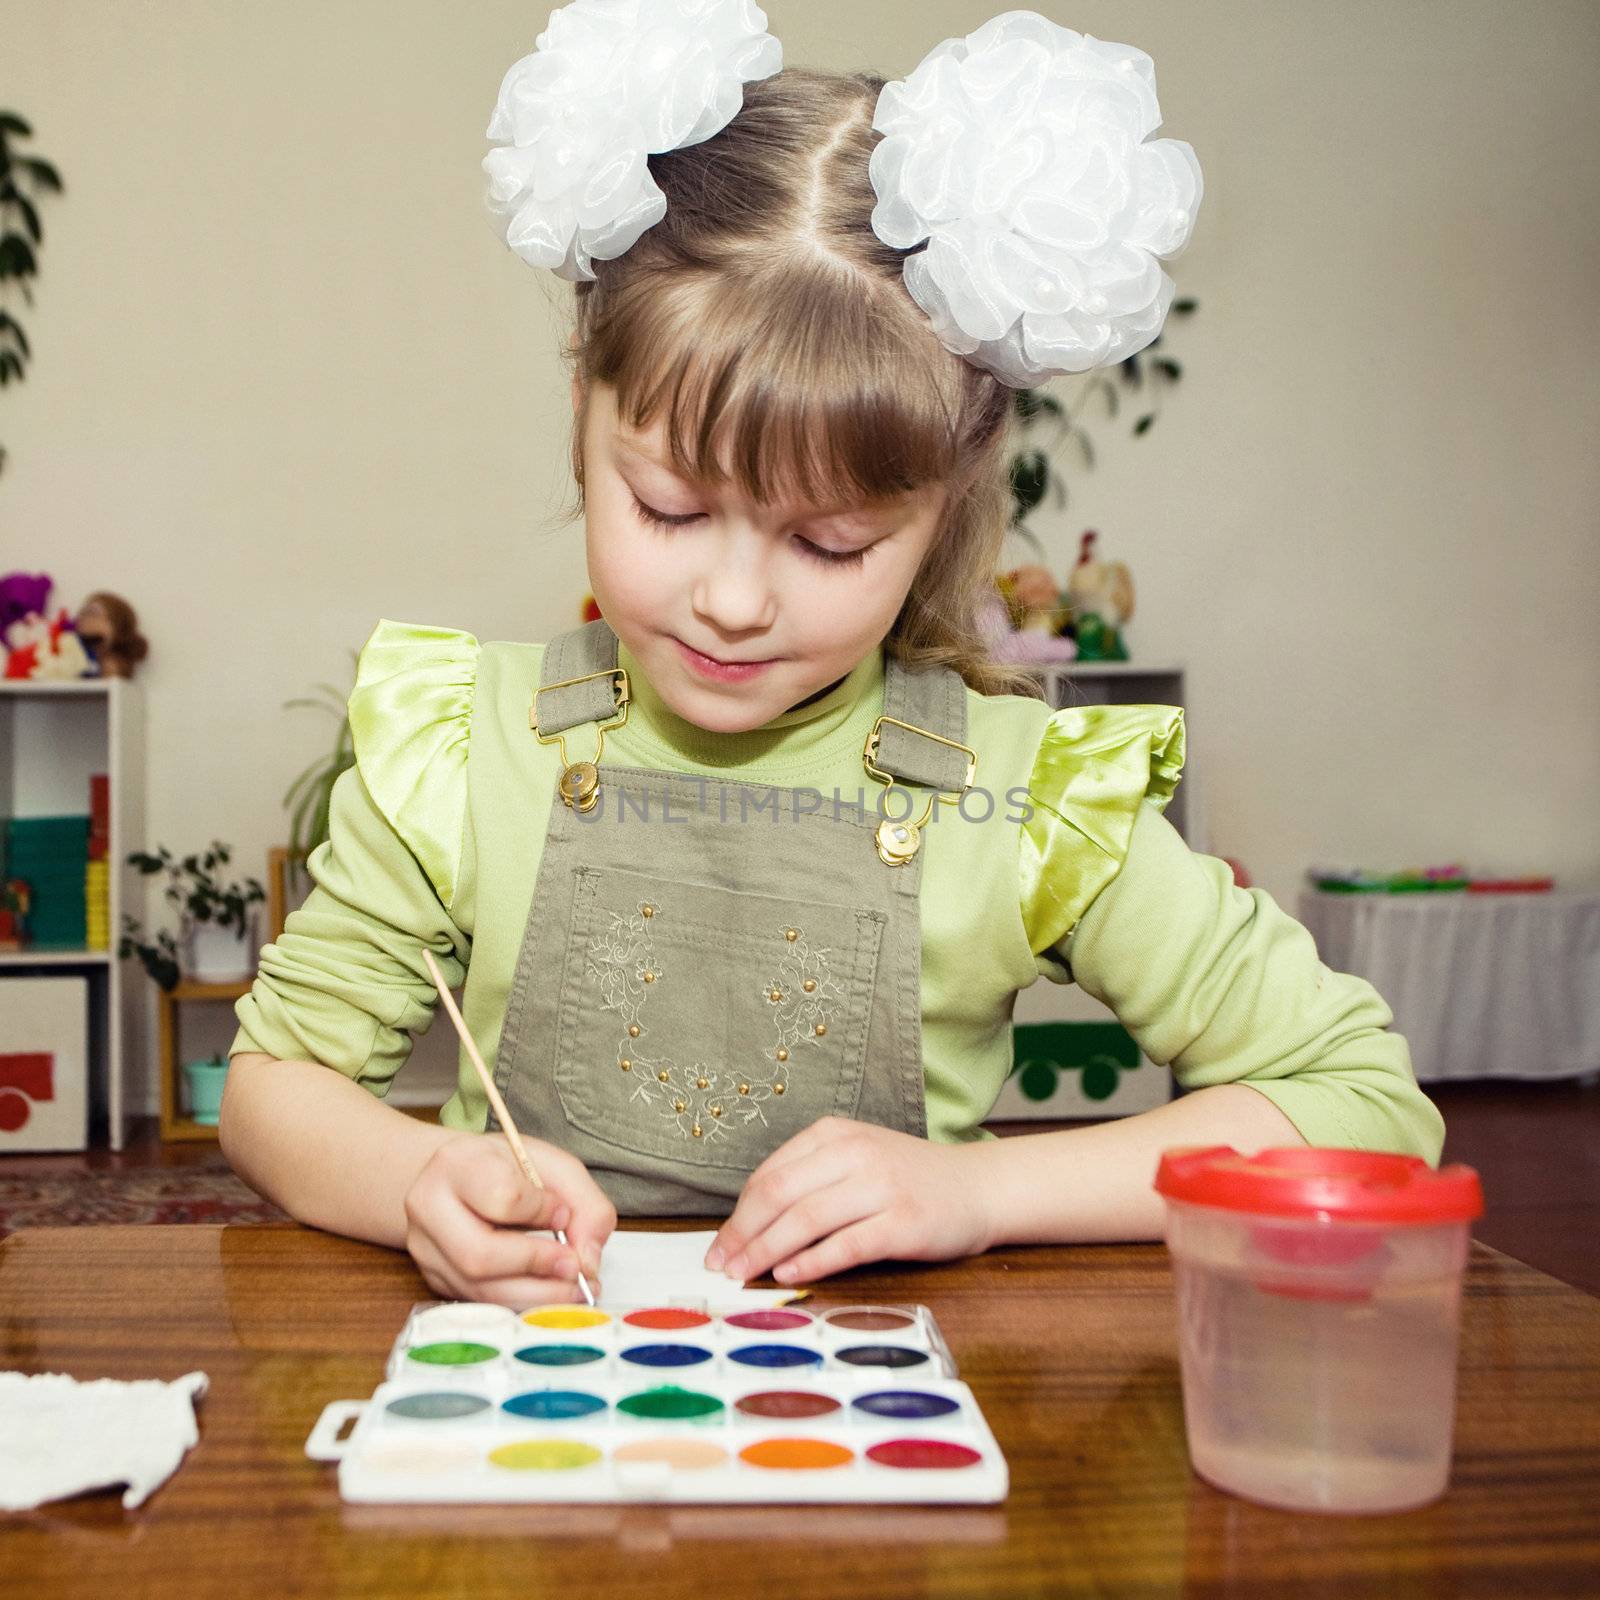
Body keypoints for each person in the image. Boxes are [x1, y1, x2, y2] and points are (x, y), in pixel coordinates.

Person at [221, 7, 1443, 1310]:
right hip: (550, 1419)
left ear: (943, 506)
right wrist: (419, 1182)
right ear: (584, 416)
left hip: (885, 1427)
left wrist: (980, 1194)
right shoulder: (470, 752)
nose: (734, 601)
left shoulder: (1021, 803)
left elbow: (1362, 1106)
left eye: (831, 541)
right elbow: (269, 1093)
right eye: (672, 511)